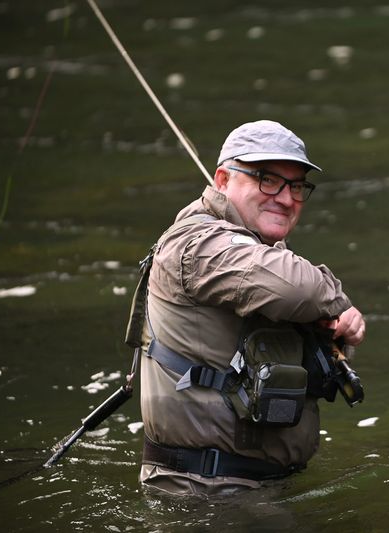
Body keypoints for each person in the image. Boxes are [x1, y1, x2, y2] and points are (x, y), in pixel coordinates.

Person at [137, 119, 365, 495]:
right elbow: (297, 287)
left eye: (296, 186)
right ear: (222, 180)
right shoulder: (196, 245)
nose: (286, 198)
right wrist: (335, 299)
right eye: (267, 179)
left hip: (258, 488)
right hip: (205, 494)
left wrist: (339, 326)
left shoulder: (262, 254)